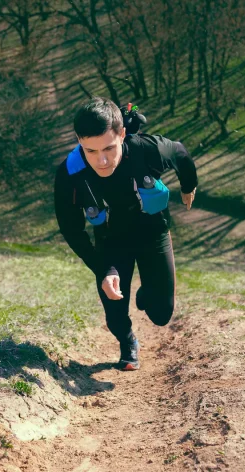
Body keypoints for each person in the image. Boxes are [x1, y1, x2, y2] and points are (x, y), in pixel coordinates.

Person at [53, 97, 198, 371]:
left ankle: (147, 292)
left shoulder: (146, 150)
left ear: (121, 134)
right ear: (78, 141)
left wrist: (188, 186)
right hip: (110, 241)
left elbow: (180, 153)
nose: (102, 160)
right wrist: (103, 268)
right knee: (114, 311)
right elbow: (71, 230)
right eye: (91, 151)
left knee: (160, 314)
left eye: (108, 147)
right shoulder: (70, 174)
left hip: (152, 232)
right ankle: (128, 341)